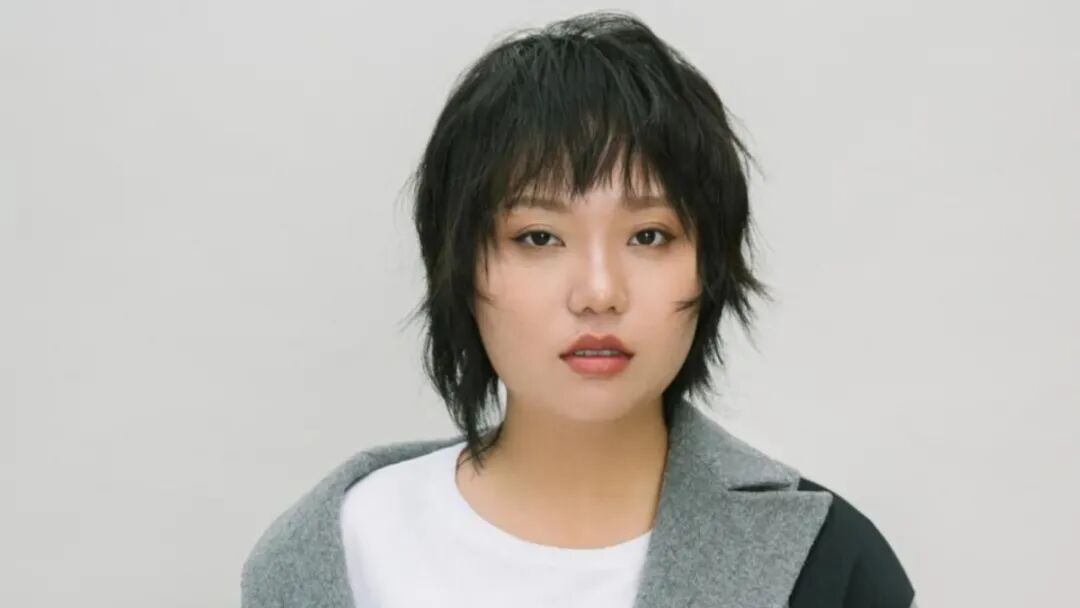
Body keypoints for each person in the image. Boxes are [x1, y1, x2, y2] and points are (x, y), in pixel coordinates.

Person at [240, 11, 917, 608]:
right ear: (460, 265)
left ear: (710, 264)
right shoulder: (341, 547)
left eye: (649, 236)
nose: (598, 291)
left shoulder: (829, 565)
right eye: (539, 237)